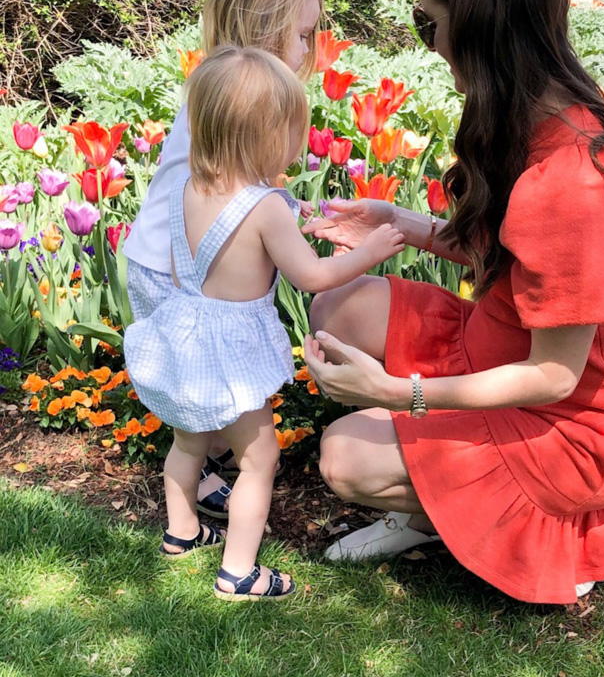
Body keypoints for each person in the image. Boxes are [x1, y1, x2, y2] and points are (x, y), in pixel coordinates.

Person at [302, 0, 604, 604]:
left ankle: (588, 522)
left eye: (428, 22)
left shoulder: (576, 181)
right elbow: (508, 261)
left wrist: (397, 396)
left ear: (477, 25)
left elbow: (554, 378)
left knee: (347, 458)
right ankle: (443, 501)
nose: (428, 43)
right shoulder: (529, 111)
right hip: (496, 348)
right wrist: (399, 223)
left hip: (582, 425)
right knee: (339, 307)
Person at [124, 47, 405, 601]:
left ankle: (182, 532)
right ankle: (239, 572)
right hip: (231, 351)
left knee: (189, 443)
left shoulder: (192, 188)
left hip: (187, 332)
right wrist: (369, 250)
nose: (299, 143)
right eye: (293, 131)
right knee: (260, 459)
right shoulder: (265, 208)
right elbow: (311, 278)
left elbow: (204, 257)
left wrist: (290, 211)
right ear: (262, 137)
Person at [123, 0, 323, 517]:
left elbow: (245, 191)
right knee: (201, 377)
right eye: (301, 35)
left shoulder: (227, 89)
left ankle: (199, 469)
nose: (308, 49)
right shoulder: (233, 98)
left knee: (206, 382)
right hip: (174, 266)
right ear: (264, 31)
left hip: (174, 256)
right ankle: (206, 473)